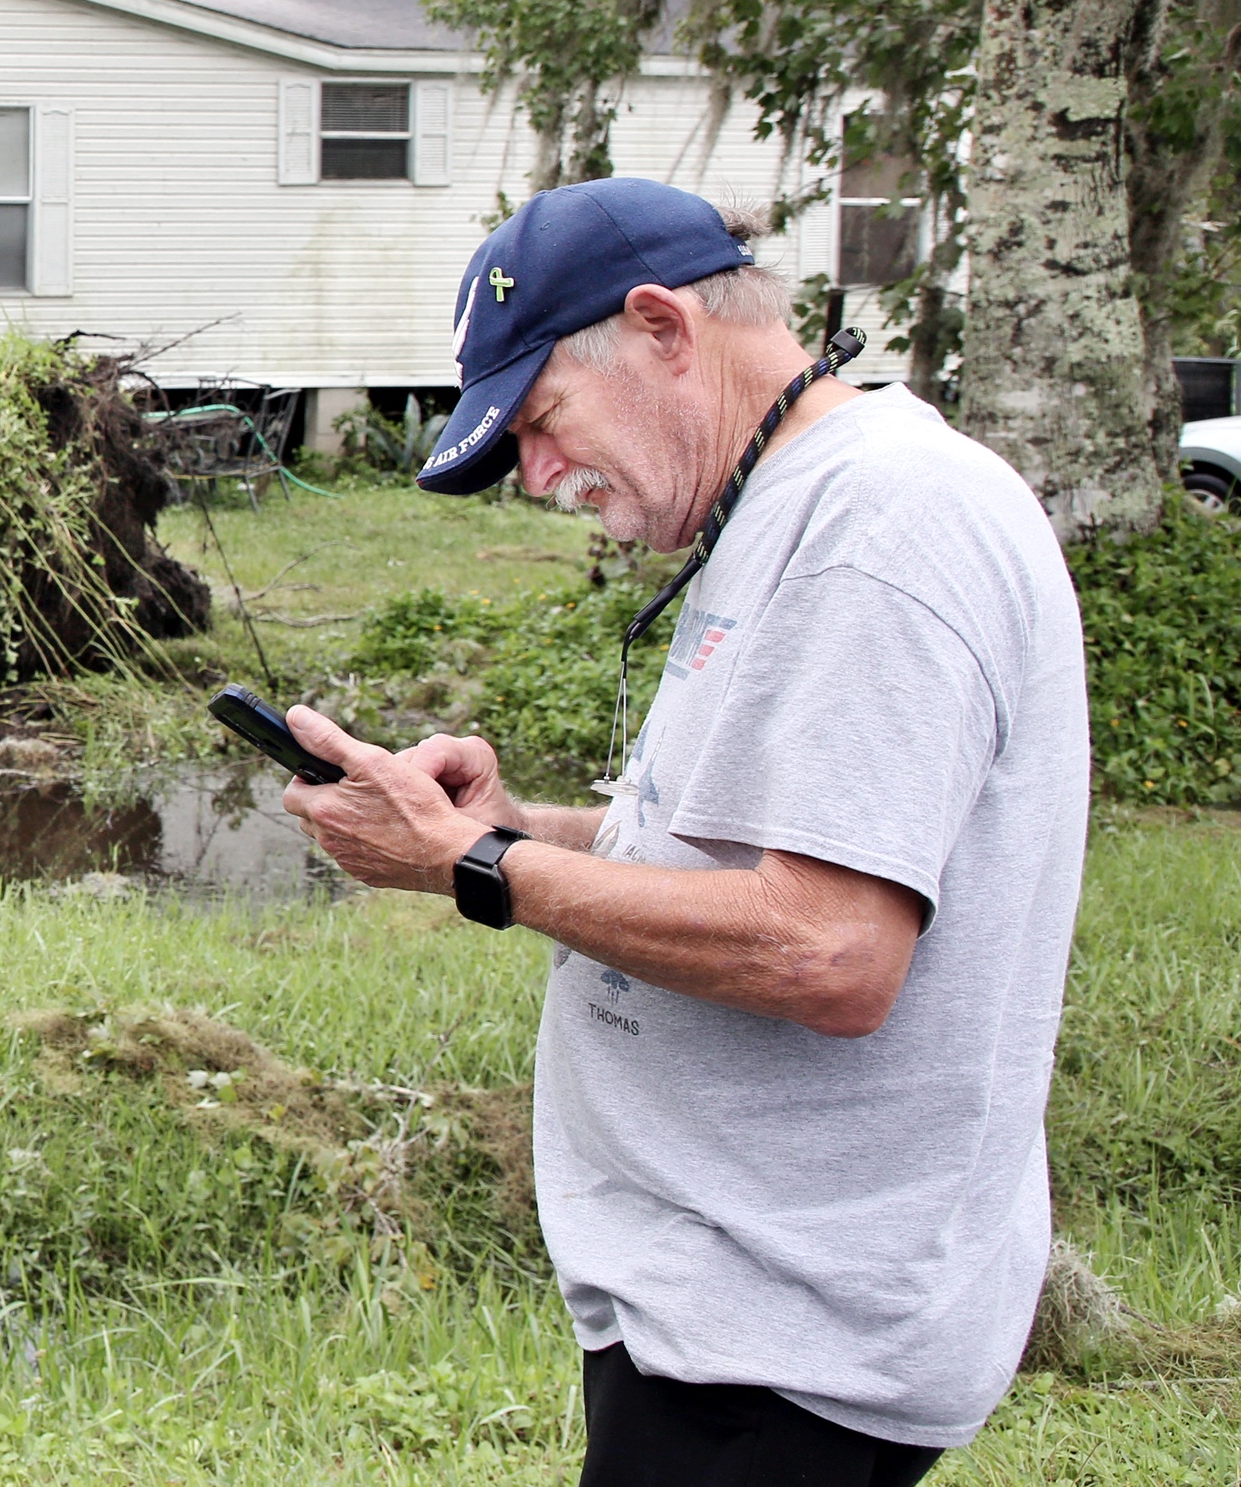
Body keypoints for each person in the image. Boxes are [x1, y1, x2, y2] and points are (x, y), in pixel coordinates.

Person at [273, 178, 1088, 1486]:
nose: (537, 478)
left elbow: (828, 950)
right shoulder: (788, 508)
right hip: (722, 1307)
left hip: (787, 1344)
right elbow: (756, 849)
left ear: (660, 328)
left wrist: (473, 869)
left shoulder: (877, 530)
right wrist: (518, 824)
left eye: (539, 423)